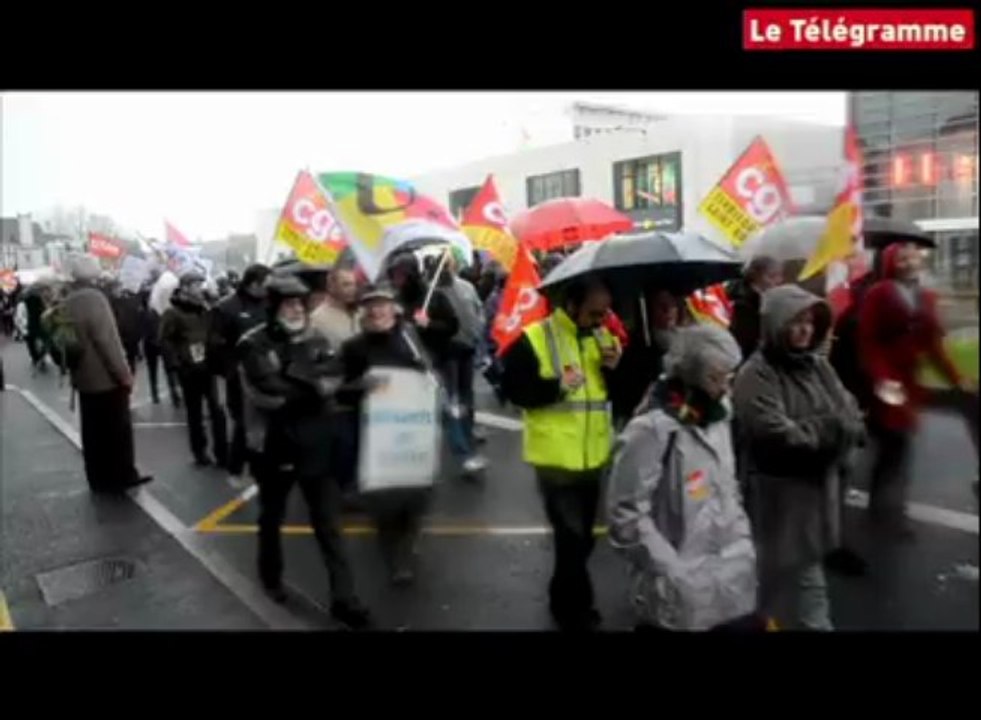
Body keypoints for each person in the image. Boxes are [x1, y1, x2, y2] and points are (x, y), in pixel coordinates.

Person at [237, 273, 371, 629]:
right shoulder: (253, 343)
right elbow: (271, 392)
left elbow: (336, 373)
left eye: (300, 303)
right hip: (274, 444)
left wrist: (308, 382)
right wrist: (315, 385)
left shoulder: (314, 336)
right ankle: (270, 578)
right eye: (289, 303)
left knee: (329, 524)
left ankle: (345, 599)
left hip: (317, 443)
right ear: (273, 306)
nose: (297, 309)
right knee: (271, 518)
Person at [607, 324, 759, 631]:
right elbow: (627, 516)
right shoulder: (652, 429)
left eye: (728, 377)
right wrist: (672, 570)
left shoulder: (719, 416)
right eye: (715, 378)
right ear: (690, 375)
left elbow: (728, 486)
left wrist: (742, 541)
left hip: (730, 574)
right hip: (676, 588)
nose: (725, 389)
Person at [733, 285, 864, 631]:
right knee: (769, 580)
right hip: (774, 498)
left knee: (810, 572)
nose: (805, 329)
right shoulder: (756, 374)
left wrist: (834, 428)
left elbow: (850, 413)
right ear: (776, 324)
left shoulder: (819, 366)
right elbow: (776, 433)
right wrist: (829, 429)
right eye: (796, 322)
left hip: (816, 494)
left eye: (809, 322)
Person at [500, 276, 622, 631]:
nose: (601, 319)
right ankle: (575, 610)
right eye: (594, 312)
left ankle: (561, 596)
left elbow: (617, 395)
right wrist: (556, 388)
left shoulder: (604, 338)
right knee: (571, 540)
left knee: (584, 539)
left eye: (605, 312)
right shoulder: (536, 338)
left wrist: (615, 371)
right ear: (571, 305)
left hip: (593, 458)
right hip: (554, 460)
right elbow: (515, 391)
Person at [858, 242, 971, 537]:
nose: (909, 262)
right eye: (902, 258)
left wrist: (956, 378)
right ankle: (886, 512)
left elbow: (933, 345)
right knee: (894, 445)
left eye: (913, 257)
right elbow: (869, 341)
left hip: (908, 383)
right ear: (892, 263)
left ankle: (889, 509)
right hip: (886, 383)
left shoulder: (925, 296)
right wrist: (883, 378)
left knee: (898, 448)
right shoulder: (879, 293)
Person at [339, 283, 437, 585]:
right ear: (363, 312)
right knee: (385, 505)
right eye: (370, 306)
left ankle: (407, 543)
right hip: (374, 441)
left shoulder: (410, 338)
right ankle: (397, 561)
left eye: (382, 304)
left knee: (416, 499)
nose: (377, 310)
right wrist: (361, 387)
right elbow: (340, 391)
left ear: (395, 308)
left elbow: (430, 374)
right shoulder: (354, 348)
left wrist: (429, 378)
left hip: (414, 433)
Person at [63, 254, 152, 494]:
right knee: (117, 431)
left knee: (92, 432)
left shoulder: (68, 299)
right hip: (105, 378)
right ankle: (122, 475)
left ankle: (97, 478)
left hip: (83, 377)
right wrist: (123, 373)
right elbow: (107, 340)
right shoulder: (95, 298)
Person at [208, 263, 271, 486]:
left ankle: (258, 467)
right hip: (239, 376)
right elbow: (215, 345)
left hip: (266, 372)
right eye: (266, 284)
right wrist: (230, 370)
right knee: (244, 422)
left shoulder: (269, 304)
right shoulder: (225, 308)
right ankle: (235, 468)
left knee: (263, 421)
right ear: (253, 284)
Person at [161, 271, 228, 468]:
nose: (200, 288)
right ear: (185, 288)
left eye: (201, 284)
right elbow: (165, 341)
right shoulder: (172, 313)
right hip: (189, 370)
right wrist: (177, 363)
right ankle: (199, 451)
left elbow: (214, 331)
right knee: (195, 413)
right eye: (196, 285)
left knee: (218, 411)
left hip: (209, 366)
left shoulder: (206, 308)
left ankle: (222, 452)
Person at [437, 252, 489, 463]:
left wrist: (478, 330)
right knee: (452, 397)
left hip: (467, 347)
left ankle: (468, 429)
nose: (446, 269)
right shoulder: (433, 292)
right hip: (447, 351)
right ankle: (458, 440)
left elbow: (478, 310)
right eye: (442, 265)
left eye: (449, 264)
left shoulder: (467, 287)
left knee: (467, 393)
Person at [609, 288, 680, 425]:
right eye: (661, 305)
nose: (668, 310)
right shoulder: (633, 349)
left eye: (672, 305)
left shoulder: (684, 345)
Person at [727, 255, 783, 361]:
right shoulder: (744, 303)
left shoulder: (768, 299)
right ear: (756, 276)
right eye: (772, 276)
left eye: (779, 276)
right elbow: (746, 339)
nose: (778, 281)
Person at [139, 281, 182, 408]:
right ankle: (158, 393)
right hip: (152, 342)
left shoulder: (160, 310)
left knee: (168, 369)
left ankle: (170, 394)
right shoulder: (148, 311)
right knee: (160, 370)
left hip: (158, 342)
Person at [310, 265, 361, 349]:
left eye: (354, 284)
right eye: (346, 285)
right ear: (331, 287)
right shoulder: (316, 319)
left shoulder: (361, 312)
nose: (353, 289)